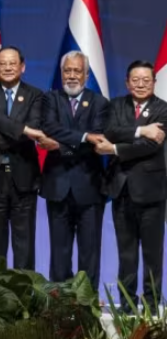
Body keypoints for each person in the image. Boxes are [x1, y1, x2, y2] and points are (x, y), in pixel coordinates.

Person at [92, 60, 167, 309]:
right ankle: (126, 304)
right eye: (135, 80)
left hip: (151, 192)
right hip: (121, 189)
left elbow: (150, 146)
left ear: (154, 82)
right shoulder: (116, 105)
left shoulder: (163, 109)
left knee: (152, 254)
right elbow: (110, 131)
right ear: (127, 83)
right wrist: (142, 130)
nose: (140, 84)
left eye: (146, 80)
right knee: (126, 253)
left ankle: (152, 304)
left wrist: (113, 149)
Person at [0, 46, 46, 270]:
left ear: (22, 67)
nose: (7, 68)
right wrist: (23, 130)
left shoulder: (35, 95)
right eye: (2, 64)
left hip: (24, 175)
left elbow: (33, 129)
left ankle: (23, 290)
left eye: (12, 63)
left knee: (25, 243)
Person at [40, 51, 108, 284]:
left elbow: (96, 143)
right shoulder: (50, 99)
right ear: (61, 73)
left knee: (90, 251)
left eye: (77, 71)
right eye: (67, 70)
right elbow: (49, 128)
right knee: (59, 251)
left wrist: (60, 146)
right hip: (57, 185)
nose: (71, 75)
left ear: (86, 75)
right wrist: (84, 137)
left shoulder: (100, 103)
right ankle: (59, 300)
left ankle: (86, 300)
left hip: (89, 186)